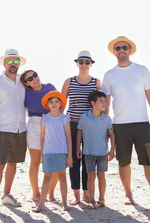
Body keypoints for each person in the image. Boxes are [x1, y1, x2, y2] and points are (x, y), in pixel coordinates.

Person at [102, 36, 150, 207]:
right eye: (118, 48)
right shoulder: (109, 75)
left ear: (129, 50)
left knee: (149, 161)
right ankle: (128, 194)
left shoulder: (142, 70)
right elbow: (106, 103)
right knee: (123, 162)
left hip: (141, 124)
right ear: (114, 52)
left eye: (124, 47)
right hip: (119, 125)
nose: (121, 50)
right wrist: (106, 127)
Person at [0, 48, 27, 212]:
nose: (13, 64)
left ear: (19, 64)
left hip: (20, 130)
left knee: (13, 164)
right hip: (3, 130)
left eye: (16, 61)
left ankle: (7, 196)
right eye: (10, 61)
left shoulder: (23, 82)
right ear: (4, 63)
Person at [61, 50, 102, 205]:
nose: (84, 65)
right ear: (77, 64)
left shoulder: (96, 82)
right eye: (81, 62)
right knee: (73, 160)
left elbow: (101, 105)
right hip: (71, 124)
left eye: (87, 62)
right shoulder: (69, 81)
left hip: (90, 126)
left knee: (88, 160)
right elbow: (61, 103)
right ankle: (76, 195)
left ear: (91, 64)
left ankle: (86, 193)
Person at [20, 70, 59, 203]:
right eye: (30, 79)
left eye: (35, 75)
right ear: (27, 83)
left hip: (51, 123)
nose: (34, 79)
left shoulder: (50, 87)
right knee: (35, 162)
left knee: (54, 162)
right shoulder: (26, 93)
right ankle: (36, 193)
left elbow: (60, 104)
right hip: (34, 125)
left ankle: (50, 192)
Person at [33, 90, 73, 213]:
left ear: (61, 103)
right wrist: (40, 155)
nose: (54, 104)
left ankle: (64, 203)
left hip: (61, 152)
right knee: (46, 178)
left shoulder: (65, 118)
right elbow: (42, 138)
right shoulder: (44, 118)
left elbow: (69, 138)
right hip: (48, 153)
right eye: (51, 102)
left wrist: (70, 156)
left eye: (56, 101)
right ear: (48, 104)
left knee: (62, 177)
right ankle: (41, 204)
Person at [76, 90, 116, 209]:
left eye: (105, 101)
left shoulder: (107, 119)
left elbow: (112, 134)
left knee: (101, 176)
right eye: (101, 101)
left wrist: (112, 150)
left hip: (102, 153)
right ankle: (92, 199)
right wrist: (78, 147)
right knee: (91, 176)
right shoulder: (84, 117)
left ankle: (101, 198)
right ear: (93, 103)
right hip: (88, 152)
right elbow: (79, 133)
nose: (104, 103)